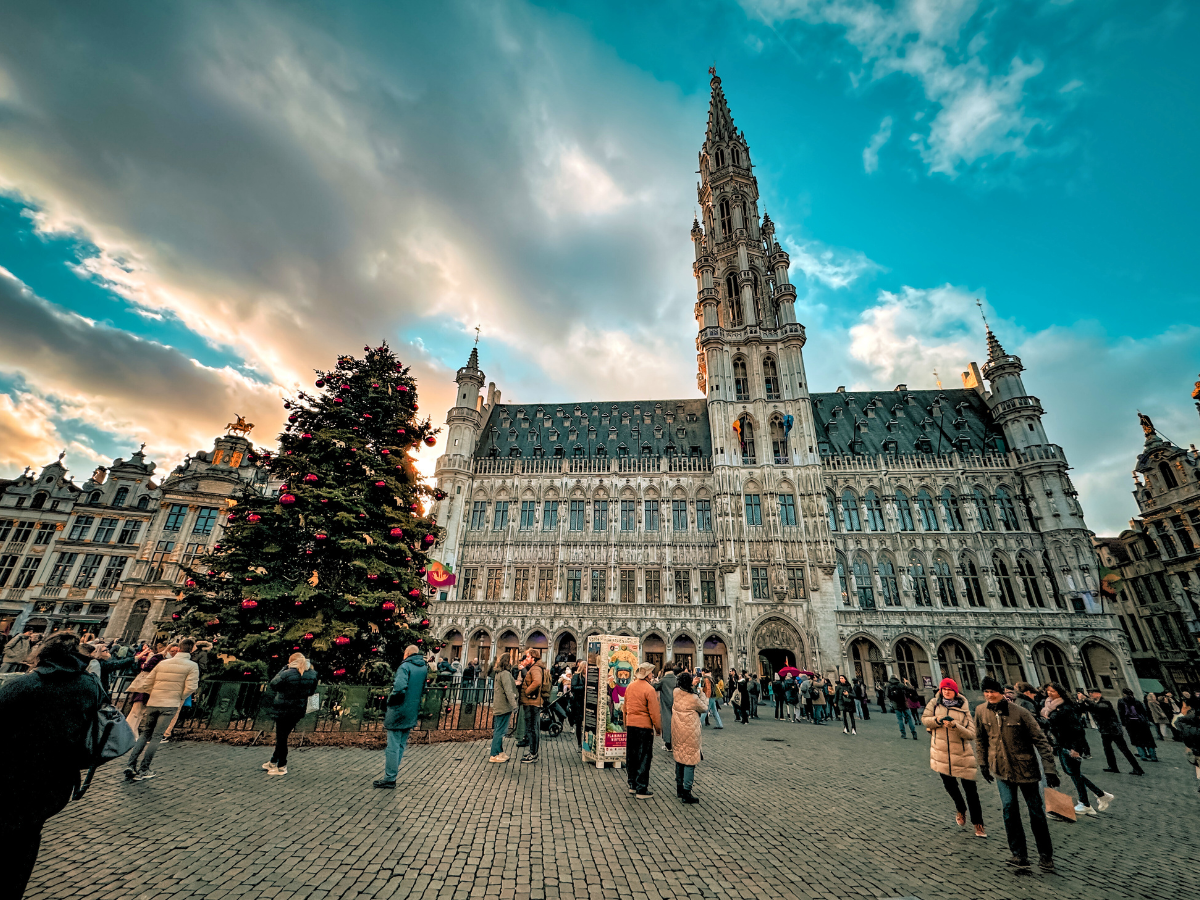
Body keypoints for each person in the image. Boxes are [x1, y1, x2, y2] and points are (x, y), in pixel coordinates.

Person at [0, 631, 105, 898]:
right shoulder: (89, 686)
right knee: (27, 838)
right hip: (56, 779)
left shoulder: (20, 686)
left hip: (11, 776)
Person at [974, 676, 1060, 873]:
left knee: (1036, 812)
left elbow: (1041, 740)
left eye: (992, 691)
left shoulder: (1020, 712)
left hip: (1026, 769)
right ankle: (1019, 854)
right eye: (986, 692)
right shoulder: (981, 711)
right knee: (1009, 810)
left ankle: (1045, 855)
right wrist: (983, 764)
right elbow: (980, 739)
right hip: (1000, 769)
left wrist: (1049, 769)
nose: (989, 695)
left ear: (1001, 693)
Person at [123, 638, 200, 781]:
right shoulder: (192, 666)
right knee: (156, 737)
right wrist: (178, 696)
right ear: (192, 649)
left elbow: (147, 682)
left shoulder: (163, 663)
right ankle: (144, 768)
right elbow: (191, 687)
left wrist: (154, 693)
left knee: (145, 733)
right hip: (170, 703)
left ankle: (130, 764)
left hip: (154, 701)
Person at [922, 678, 986, 838]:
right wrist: (938, 721)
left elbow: (972, 733)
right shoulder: (934, 704)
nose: (946, 692)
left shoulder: (964, 708)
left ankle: (978, 823)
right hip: (941, 753)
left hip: (962, 754)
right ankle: (960, 808)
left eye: (950, 690)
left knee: (971, 791)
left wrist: (955, 726)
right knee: (950, 786)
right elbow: (925, 719)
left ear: (955, 692)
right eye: (944, 689)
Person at [1041, 682, 1114, 817]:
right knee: (1073, 773)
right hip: (1061, 744)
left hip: (1070, 745)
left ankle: (1086, 803)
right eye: (1048, 691)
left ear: (1060, 692)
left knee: (1074, 773)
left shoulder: (1066, 707)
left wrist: (1076, 748)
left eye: (1052, 691)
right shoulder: (1050, 707)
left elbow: (1077, 729)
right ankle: (1100, 795)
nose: (1049, 693)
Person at [374, 645, 429, 788]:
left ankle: (390, 778)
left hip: (399, 709)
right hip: (412, 710)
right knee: (401, 744)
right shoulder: (423, 668)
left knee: (392, 745)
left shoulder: (405, 667)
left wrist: (391, 701)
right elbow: (423, 689)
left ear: (407, 654)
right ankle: (392, 774)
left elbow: (399, 687)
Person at [263, 653, 319, 776]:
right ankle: (273, 761)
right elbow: (311, 692)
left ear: (291, 661)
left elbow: (273, 684)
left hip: (283, 709)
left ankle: (282, 766)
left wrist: (283, 669)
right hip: (298, 709)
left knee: (281, 738)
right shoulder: (312, 674)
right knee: (283, 736)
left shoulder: (286, 673)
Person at [1083, 687, 1143, 776]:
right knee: (1108, 749)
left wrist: (1086, 700)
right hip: (1105, 730)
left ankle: (1137, 768)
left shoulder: (1105, 702)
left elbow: (1099, 708)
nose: (1090, 695)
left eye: (1092, 693)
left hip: (1113, 730)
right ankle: (1112, 766)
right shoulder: (1095, 703)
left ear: (1099, 694)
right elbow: (1086, 708)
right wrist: (1081, 702)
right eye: (1089, 693)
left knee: (1124, 749)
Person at [624, 663, 662, 798]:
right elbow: (654, 712)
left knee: (631, 755)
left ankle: (632, 784)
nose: (652, 675)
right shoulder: (649, 689)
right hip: (644, 727)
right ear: (647, 675)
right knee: (644, 756)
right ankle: (641, 788)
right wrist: (658, 728)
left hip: (631, 725)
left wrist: (626, 722)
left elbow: (625, 707)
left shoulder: (630, 686)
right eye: (651, 673)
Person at [671, 671, 707, 804]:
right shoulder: (694, 698)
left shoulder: (676, 692)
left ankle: (679, 788)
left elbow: (682, 689)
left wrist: (690, 685)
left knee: (680, 758)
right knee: (690, 761)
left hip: (677, 730)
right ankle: (687, 791)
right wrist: (701, 693)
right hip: (690, 732)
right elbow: (704, 708)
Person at [124, 641, 167, 733]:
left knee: (139, 712)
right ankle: (128, 732)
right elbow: (147, 667)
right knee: (136, 712)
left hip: (146, 687)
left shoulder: (158, 657)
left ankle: (132, 732)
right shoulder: (156, 657)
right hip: (144, 687)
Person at [517, 649, 546, 763]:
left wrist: (527, 691)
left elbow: (537, 682)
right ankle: (532, 752)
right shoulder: (535, 668)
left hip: (532, 703)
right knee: (532, 728)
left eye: (528, 657)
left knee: (532, 728)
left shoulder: (535, 669)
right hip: (531, 702)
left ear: (533, 658)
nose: (526, 658)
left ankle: (533, 754)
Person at [489, 652, 518, 763]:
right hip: (503, 706)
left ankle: (499, 751)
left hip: (500, 705)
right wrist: (514, 705)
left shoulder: (499, 673)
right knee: (500, 730)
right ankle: (494, 754)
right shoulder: (505, 674)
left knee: (499, 729)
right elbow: (508, 691)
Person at [1118, 688, 1158, 761]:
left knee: (1136, 740)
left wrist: (1124, 723)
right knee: (1148, 739)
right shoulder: (1137, 701)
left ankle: (1143, 755)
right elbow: (1143, 712)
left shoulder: (1121, 702)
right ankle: (1153, 756)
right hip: (1141, 722)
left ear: (1124, 694)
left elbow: (1121, 713)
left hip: (1130, 723)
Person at [656, 664, 678, 750]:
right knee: (676, 723)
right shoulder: (676, 679)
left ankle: (668, 744)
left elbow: (655, 687)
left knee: (667, 723)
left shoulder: (663, 680)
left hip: (665, 704)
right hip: (676, 703)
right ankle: (675, 742)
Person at [571, 660, 586, 748]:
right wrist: (584, 687)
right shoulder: (577, 676)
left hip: (585, 702)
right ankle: (579, 743)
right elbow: (573, 687)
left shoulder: (589, 676)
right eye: (584, 667)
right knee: (579, 723)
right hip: (578, 702)